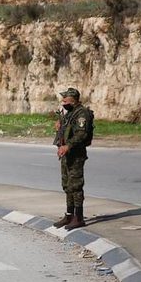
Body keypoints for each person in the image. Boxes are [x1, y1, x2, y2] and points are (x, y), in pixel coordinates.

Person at [53, 87, 91, 230]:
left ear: (73, 101)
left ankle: (79, 217)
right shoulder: (69, 113)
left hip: (76, 154)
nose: (63, 102)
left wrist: (68, 146)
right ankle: (69, 215)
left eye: (66, 100)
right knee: (67, 185)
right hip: (66, 154)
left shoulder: (82, 114)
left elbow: (81, 134)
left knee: (76, 186)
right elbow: (66, 130)